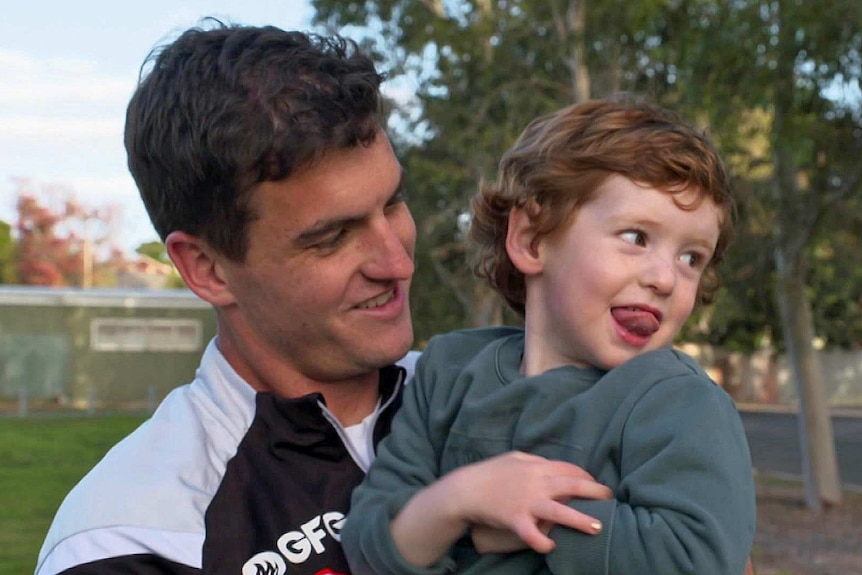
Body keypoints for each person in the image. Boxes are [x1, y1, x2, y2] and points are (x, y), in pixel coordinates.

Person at [35, 20, 611, 575]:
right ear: (207, 267)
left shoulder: (516, 396)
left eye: (392, 204)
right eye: (332, 237)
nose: (397, 262)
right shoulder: (130, 540)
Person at [342, 98, 757, 575]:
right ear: (532, 240)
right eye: (637, 237)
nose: (666, 278)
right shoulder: (449, 372)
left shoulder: (679, 401)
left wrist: (524, 521)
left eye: (692, 258)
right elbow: (368, 542)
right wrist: (463, 500)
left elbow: (700, 558)